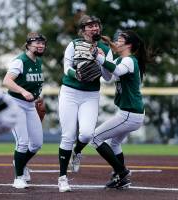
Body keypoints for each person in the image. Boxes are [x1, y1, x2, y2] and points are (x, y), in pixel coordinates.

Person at [57, 14, 113, 192]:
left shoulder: (105, 48)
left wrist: (101, 59)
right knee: (68, 135)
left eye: (96, 25)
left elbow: (108, 77)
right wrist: (76, 74)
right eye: (90, 26)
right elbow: (66, 68)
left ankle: (78, 151)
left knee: (87, 134)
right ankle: (62, 178)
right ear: (83, 30)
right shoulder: (73, 44)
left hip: (90, 94)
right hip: (70, 93)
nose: (94, 28)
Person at [91, 30, 148, 189]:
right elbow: (108, 76)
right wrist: (100, 59)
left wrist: (99, 57)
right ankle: (121, 179)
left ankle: (121, 172)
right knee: (114, 143)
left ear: (129, 44)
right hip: (129, 113)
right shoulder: (121, 59)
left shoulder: (129, 61)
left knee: (95, 137)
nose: (117, 40)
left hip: (130, 115)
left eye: (121, 39)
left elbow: (117, 71)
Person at [2, 32, 46, 189]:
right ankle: (18, 177)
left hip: (29, 106)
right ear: (28, 45)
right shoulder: (20, 61)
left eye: (42, 43)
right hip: (15, 104)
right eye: (37, 43)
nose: (40, 45)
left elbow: (34, 83)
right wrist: (22, 91)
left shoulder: (37, 61)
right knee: (22, 142)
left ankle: (20, 162)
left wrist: (38, 97)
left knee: (36, 144)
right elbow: (7, 81)